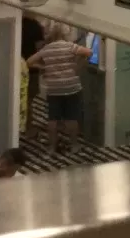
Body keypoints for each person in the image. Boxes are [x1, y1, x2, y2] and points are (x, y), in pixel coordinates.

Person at [25, 24, 85, 153]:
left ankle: (52, 147)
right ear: (65, 34)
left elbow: (29, 61)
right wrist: (77, 66)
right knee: (71, 117)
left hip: (53, 88)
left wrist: (43, 67)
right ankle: (74, 145)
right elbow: (88, 52)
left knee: (52, 118)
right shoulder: (69, 46)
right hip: (71, 86)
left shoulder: (47, 49)